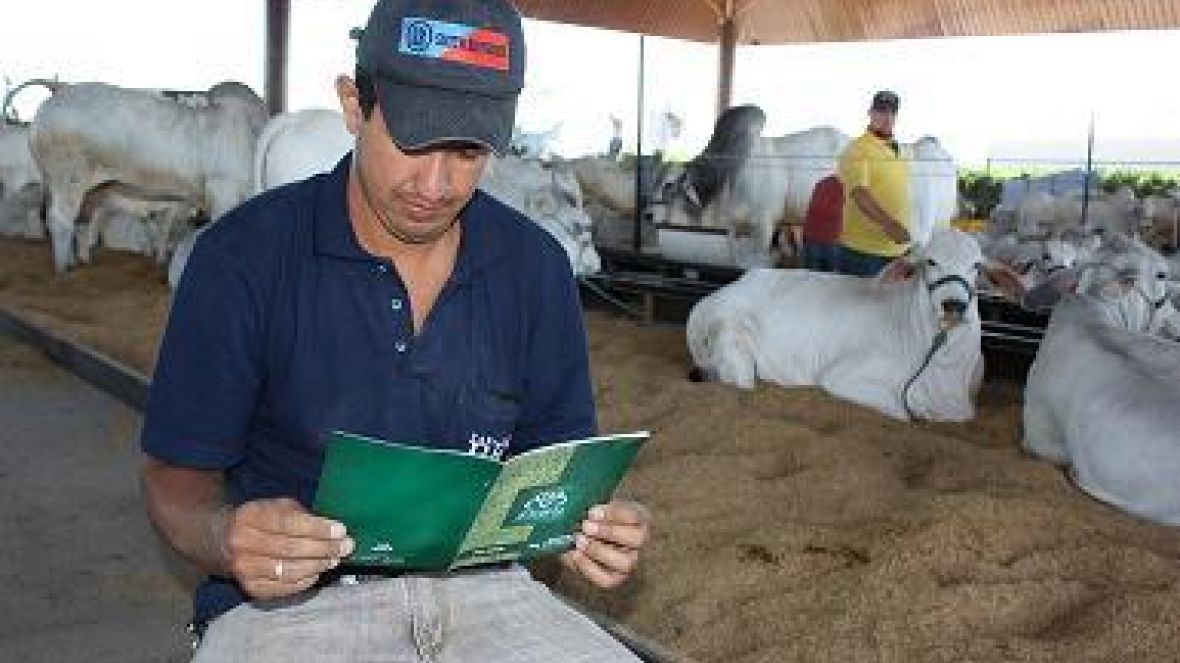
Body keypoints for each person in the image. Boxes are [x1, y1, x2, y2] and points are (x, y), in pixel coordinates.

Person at [138, 1, 651, 661]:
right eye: (413, 141)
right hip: (292, 607)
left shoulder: (534, 268)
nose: (436, 185)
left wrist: (600, 526)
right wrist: (225, 532)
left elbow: (559, 470)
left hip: (491, 593)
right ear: (355, 106)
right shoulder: (243, 258)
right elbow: (174, 478)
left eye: (468, 151)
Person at [835, 90, 912, 276]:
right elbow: (859, 193)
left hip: (896, 251)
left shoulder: (899, 150)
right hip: (863, 253)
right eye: (881, 111)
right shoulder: (857, 149)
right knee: (858, 304)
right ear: (870, 113)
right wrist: (890, 225)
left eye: (892, 112)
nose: (887, 117)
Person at [799, 174, 844, 272]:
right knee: (829, 279)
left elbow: (813, 208)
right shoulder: (851, 188)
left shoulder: (823, 182)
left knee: (810, 277)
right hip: (832, 240)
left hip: (811, 237)